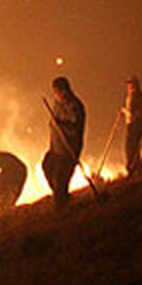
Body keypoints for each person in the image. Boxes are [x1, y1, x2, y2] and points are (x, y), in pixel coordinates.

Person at [42, 75, 86, 210]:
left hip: (68, 150)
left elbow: (75, 127)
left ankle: (61, 208)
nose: (54, 95)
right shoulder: (57, 104)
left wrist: (60, 124)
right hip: (55, 148)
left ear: (64, 91)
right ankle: (62, 197)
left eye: (56, 92)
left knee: (60, 179)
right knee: (47, 167)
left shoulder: (74, 106)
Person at [122, 75, 142, 176]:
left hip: (135, 124)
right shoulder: (133, 96)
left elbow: (133, 112)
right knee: (134, 146)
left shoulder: (136, 96)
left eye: (130, 84)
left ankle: (132, 168)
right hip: (134, 124)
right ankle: (136, 167)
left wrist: (124, 111)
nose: (128, 86)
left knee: (131, 146)